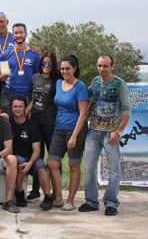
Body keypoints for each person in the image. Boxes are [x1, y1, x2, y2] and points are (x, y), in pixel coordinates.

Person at [79, 54, 131, 217]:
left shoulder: (119, 84)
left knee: (114, 169)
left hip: (110, 133)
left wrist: (118, 131)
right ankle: (91, 202)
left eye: (105, 66)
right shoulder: (95, 81)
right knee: (88, 168)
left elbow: (127, 109)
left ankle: (111, 203)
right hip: (93, 131)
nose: (102, 69)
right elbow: (83, 96)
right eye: (99, 65)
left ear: (112, 67)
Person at [47, 55, 88, 210]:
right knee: (52, 163)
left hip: (75, 129)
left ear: (74, 69)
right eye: (62, 68)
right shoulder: (58, 83)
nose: (65, 71)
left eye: (68, 68)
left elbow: (83, 113)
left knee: (73, 165)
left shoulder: (80, 87)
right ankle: (58, 198)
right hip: (58, 128)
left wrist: (74, 135)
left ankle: (70, 201)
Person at [8, 97, 54, 210]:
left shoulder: (32, 126)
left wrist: (30, 163)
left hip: (31, 157)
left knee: (41, 167)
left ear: (25, 108)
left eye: (20, 106)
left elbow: (37, 151)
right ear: (11, 108)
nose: (17, 109)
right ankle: (19, 193)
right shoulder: (7, 123)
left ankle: (48, 197)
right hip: (16, 157)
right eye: (15, 106)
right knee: (22, 163)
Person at [26, 51, 59, 200]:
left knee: (53, 158)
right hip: (35, 122)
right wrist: (24, 116)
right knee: (37, 156)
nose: (46, 66)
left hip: (50, 123)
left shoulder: (57, 80)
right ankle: (35, 190)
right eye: (44, 63)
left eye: (49, 64)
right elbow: (32, 100)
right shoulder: (35, 78)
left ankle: (56, 192)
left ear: (54, 65)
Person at [0, 23, 41, 113]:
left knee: (22, 123)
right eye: (16, 33)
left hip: (26, 94)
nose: (19, 35)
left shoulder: (34, 55)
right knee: (6, 121)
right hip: (8, 92)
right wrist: (1, 77)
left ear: (26, 34)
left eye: (21, 32)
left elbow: (37, 76)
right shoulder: (6, 55)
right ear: (13, 35)